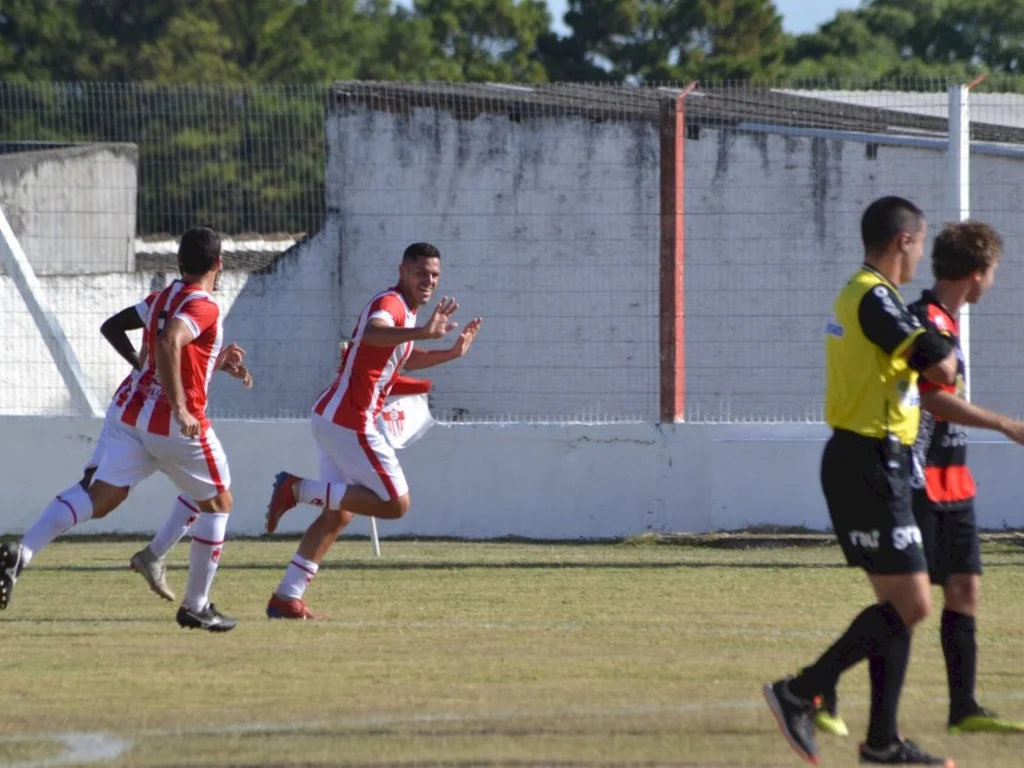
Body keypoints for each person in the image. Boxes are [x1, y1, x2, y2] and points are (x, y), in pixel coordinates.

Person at [763, 196, 959, 766]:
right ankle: (801, 690)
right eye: (920, 243)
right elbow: (941, 365)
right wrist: (935, 347)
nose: (921, 254)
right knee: (914, 604)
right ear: (904, 240)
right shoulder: (872, 295)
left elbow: (929, 360)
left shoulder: (875, 297)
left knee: (898, 608)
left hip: (877, 462)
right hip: (868, 461)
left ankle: (882, 743)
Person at [814, 220, 1024, 738]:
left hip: (955, 480)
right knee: (905, 603)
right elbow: (931, 394)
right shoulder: (918, 319)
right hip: (917, 478)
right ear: (978, 274)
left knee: (962, 591)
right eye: (994, 272)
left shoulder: (944, 321)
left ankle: (962, 708)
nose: (994, 282)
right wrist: (1004, 424)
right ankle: (827, 688)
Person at [0, 227, 245, 632]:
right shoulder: (204, 306)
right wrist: (181, 407)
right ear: (218, 265)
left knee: (99, 497)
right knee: (219, 503)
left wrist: (164, 366)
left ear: (180, 262)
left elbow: (124, 331)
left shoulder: (162, 298)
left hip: (134, 419)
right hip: (173, 424)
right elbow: (169, 344)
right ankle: (196, 606)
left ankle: (21, 555)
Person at [262, 241, 482, 619]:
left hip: (333, 417)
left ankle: (287, 596)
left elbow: (402, 357)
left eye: (434, 275)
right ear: (402, 271)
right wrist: (427, 335)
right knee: (395, 504)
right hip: (350, 419)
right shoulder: (392, 304)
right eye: (420, 273)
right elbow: (373, 334)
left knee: (338, 514)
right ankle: (296, 489)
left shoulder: (408, 314)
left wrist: (449, 352)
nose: (428, 281)